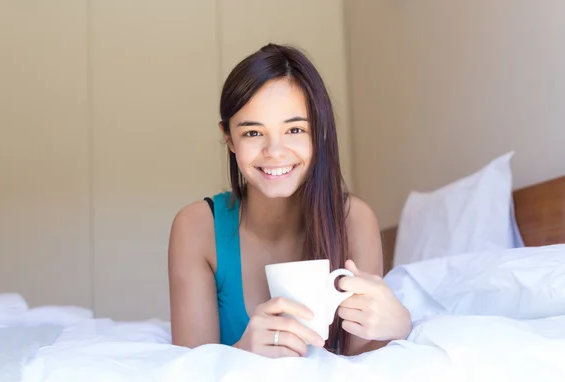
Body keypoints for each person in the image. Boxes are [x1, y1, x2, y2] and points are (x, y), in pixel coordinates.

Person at [168, 43, 411, 358]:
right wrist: (242, 353)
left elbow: (362, 365)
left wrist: (398, 327)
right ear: (229, 138)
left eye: (295, 129)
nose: (275, 152)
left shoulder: (355, 220)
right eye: (253, 133)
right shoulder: (196, 227)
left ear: (319, 132)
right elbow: (190, 376)